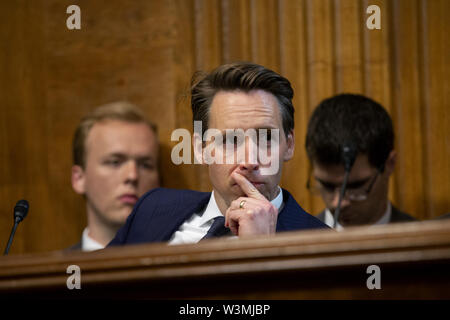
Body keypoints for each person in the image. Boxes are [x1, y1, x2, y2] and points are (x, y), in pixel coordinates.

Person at [109, 62, 328, 247]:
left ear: (289, 145)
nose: (250, 161)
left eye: (266, 138)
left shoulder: (324, 245)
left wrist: (259, 253)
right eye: (231, 140)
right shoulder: (151, 208)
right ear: (201, 148)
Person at [305, 93, 416, 230]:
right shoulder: (292, 246)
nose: (338, 203)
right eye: (327, 186)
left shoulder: (430, 246)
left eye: (355, 186)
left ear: (389, 164)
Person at [69, 101, 160, 251]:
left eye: (145, 165)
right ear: (79, 179)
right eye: (115, 162)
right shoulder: (55, 273)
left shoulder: (182, 268)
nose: (132, 175)